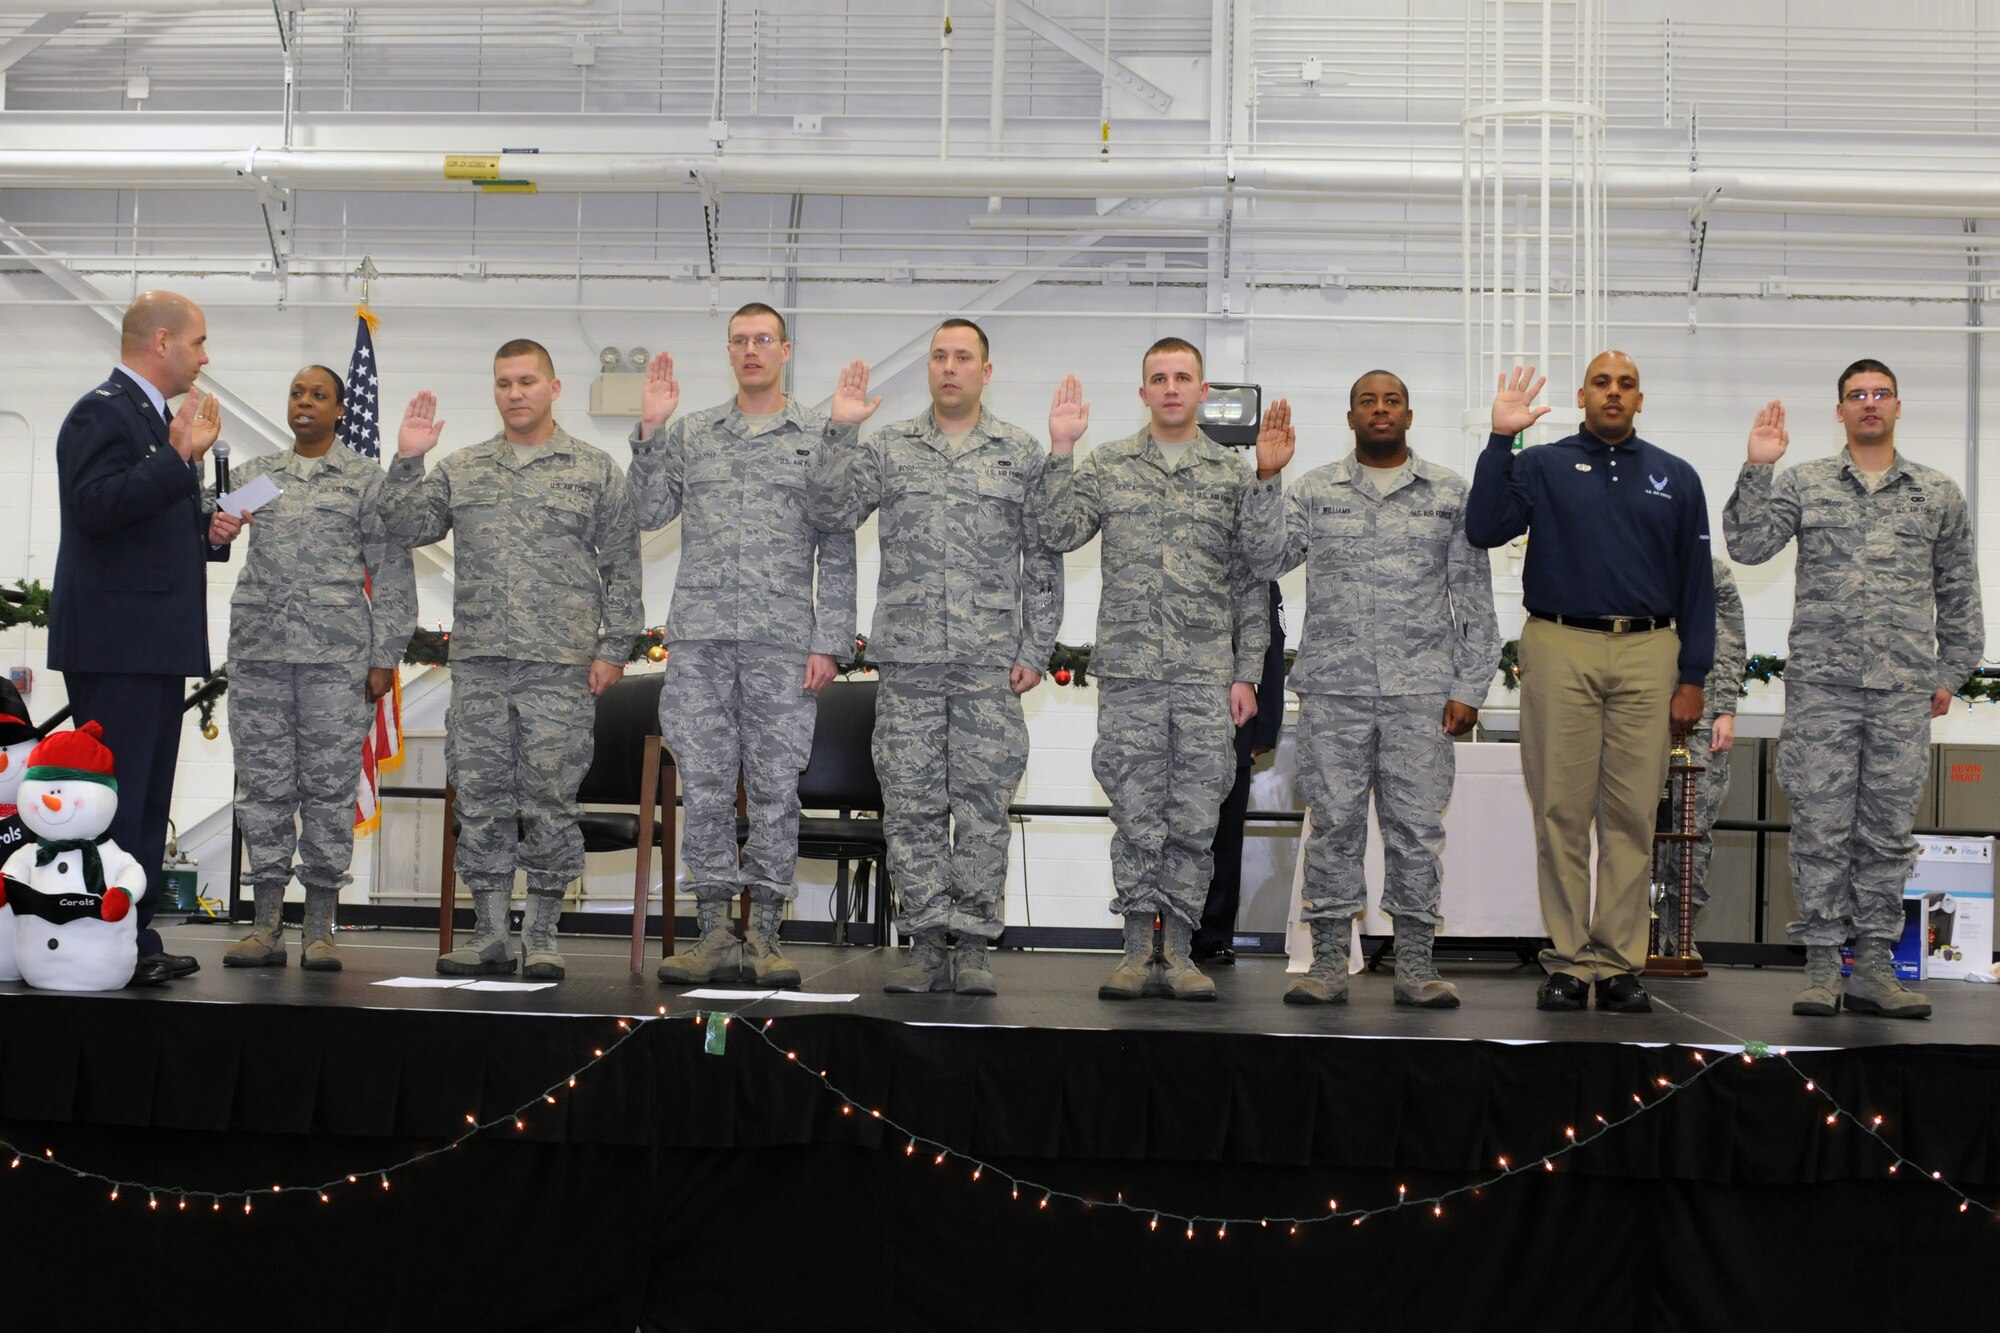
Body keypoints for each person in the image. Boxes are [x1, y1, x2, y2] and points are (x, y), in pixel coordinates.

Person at [809, 319, 1063, 995]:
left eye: (963, 357)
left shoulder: (1019, 452)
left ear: (986, 370)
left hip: (987, 664)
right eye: (939, 357)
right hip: (911, 663)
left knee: (981, 806)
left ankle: (975, 942)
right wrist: (840, 430)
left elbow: (1042, 559)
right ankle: (925, 943)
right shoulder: (891, 447)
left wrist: (1035, 648)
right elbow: (830, 508)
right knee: (912, 806)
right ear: (929, 368)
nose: (949, 367)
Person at [1723, 361, 1983, 1019]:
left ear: (1898, 405)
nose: (1869, 404)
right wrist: (1758, 466)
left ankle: (1872, 967)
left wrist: (1949, 673)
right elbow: (1748, 545)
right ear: (1839, 410)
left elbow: (1959, 592)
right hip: (1823, 691)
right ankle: (1819, 969)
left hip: (1901, 692)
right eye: (1856, 396)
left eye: (1880, 394)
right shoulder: (1807, 483)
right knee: (1818, 827)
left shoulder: (1937, 493)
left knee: (1887, 833)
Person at [1038, 338, 1290, 1001]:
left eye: (1183, 377)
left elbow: (1254, 577)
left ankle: (1178, 951)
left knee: (1193, 821)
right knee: (1136, 816)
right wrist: (1061, 449)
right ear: (1143, 390)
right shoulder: (1109, 464)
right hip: (1130, 676)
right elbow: (1057, 530)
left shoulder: (1233, 477)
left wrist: (1247, 676)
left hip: (1207, 679)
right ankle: (1132, 951)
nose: (1172, 387)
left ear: (1203, 390)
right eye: (1159, 377)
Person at [383, 340, 642, 981]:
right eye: (504, 383)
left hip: (559, 667)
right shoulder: (464, 468)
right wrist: (408, 460)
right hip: (481, 666)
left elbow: (624, 565)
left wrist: (614, 649)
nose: (515, 393)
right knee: (481, 798)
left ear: (553, 388)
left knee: (551, 800)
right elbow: (406, 525)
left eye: (527, 381)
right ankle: (491, 933)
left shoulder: (594, 470)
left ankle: (546, 934)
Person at [1465, 354, 1714, 1014]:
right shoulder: (1542, 465)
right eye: (1601, 382)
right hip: (1558, 642)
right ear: (1582, 395)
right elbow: (1483, 527)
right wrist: (1500, 440)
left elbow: (1697, 584)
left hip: (1649, 649)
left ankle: (1621, 962)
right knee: (1562, 812)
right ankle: (1573, 961)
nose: (1612, 392)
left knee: (1632, 816)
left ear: (1640, 397)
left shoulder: (1676, 476)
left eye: (1625, 383)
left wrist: (1693, 676)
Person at [629, 304, 857, 990]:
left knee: (774, 789)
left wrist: (831, 640)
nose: (752, 350)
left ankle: (764, 935)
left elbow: (838, 542)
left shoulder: (821, 436)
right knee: (700, 787)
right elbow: (646, 512)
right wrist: (650, 430)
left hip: (783, 643)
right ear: (728, 351)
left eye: (764, 340)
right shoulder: (695, 434)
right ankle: (713, 934)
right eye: (740, 340)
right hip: (699, 642)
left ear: (786, 350)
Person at [1278, 370, 1500, 1007]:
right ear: (1350, 418)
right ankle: (1326, 964)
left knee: (1416, 829)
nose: (1380, 410)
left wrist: (1470, 687)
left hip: (1421, 695)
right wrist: (1269, 480)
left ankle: (1415, 966)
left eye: (1392, 401)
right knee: (1334, 825)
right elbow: (1268, 560)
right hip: (1333, 693)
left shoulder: (1449, 495)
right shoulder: (1315, 491)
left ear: (1409, 414)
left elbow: (1474, 602)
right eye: (1367, 402)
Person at [48, 290, 244, 987]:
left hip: (151, 643)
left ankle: (131, 936)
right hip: (117, 643)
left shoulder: (154, 420)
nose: (205, 355)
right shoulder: (102, 410)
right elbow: (95, 507)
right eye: (198, 341)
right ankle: (103, 939)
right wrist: (177, 455)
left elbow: (145, 526)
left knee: (146, 801)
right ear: (160, 341)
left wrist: (208, 532)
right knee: (119, 801)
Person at [219, 366, 416, 972]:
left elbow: (391, 571)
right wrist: (214, 515)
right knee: (262, 789)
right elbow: (211, 530)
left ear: (339, 410)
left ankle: (321, 928)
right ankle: (266, 925)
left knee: (329, 792)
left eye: (318, 396)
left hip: (336, 663)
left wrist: (385, 656)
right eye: (297, 393)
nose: (304, 403)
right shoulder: (256, 478)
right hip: (260, 659)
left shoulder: (363, 480)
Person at [1191, 581, 1286, 966]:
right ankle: (1159, 930)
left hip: (1234, 723)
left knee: (1224, 839)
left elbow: (1272, 651)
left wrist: (1266, 727)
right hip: (1172, 722)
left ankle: (1212, 935)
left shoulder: (1256, 577)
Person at [1657, 557, 1746, 960]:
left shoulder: (1711, 571)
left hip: (1703, 710)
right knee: (1630, 827)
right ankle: (1636, 933)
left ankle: (1682, 931)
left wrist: (1725, 707)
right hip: (1636, 705)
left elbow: (1728, 639)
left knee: (1693, 830)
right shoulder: (1629, 554)